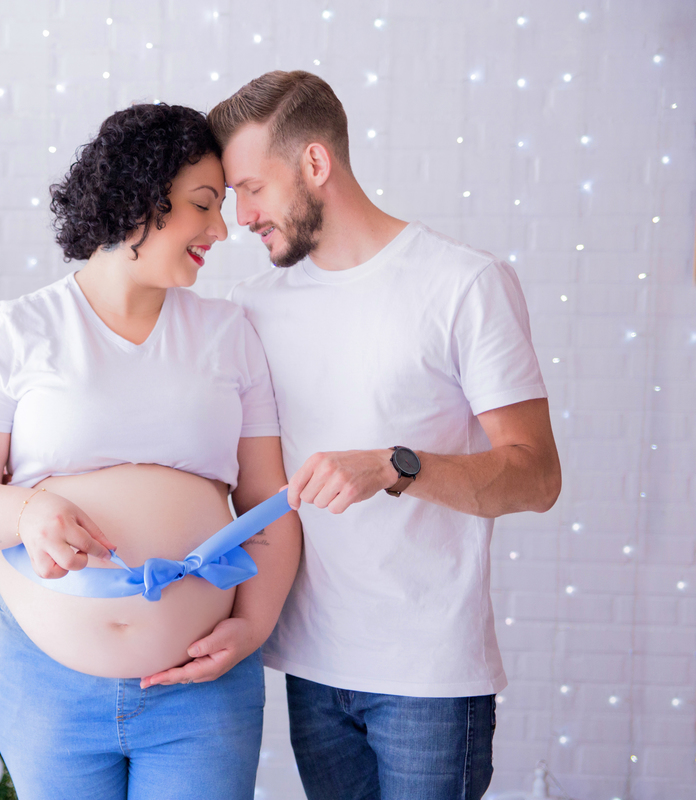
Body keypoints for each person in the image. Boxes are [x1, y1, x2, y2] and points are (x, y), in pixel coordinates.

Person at [0, 103, 301, 800]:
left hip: (202, 691)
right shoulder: (17, 330)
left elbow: (269, 506)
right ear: (138, 197)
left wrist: (251, 628)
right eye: (202, 205)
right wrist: (27, 512)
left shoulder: (230, 334)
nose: (220, 229)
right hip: (45, 688)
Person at [207, 71, 562, 800]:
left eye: (252, 188)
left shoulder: (465, 284)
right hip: (309, 664)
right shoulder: (250, 309)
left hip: (428, 677)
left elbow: (537, 477)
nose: (241, 216)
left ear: (314, 163)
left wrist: (396, 466)